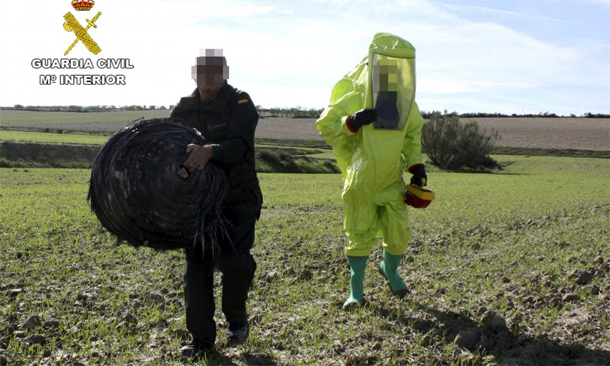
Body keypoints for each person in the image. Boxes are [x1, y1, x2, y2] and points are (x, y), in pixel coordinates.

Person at [316, 33, 428, 308]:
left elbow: (412, 136)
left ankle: (389, 269)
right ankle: (356, 292)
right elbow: (326, 125)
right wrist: (350, 121)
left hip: (392, 180)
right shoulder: (355, 94)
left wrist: (417, 167)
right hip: (361, 180)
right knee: (358, 232)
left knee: (399, 232)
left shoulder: (405, 102)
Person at [169, 49, 262, 357]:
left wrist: (209, 151)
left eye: (215, 71)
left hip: (238, 197)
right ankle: (202, 341)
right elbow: (169, 144)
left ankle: (236, 319)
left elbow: (240, 146)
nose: (208, 79)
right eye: (202, 72)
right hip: (199, 204)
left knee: (234, 261)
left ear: (225, 73)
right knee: (197, 269)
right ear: (194, 74)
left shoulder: (240, 103)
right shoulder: (184, 108)